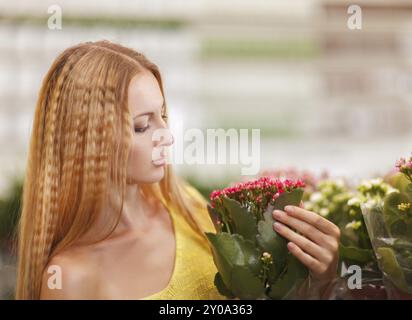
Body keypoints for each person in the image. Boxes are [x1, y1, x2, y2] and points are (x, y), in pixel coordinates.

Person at [16, 41, 340, 300]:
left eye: (162, 116)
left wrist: (319, 281)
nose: (166, 136)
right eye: (142, 126)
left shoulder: (185, 205)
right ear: (87, 141)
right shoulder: (70, 280)